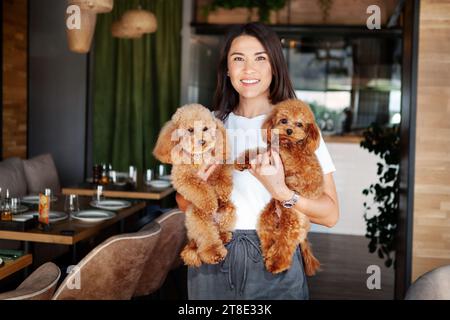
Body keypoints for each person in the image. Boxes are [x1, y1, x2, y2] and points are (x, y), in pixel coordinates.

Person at [176, 22, 339, 300]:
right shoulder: (207, 126)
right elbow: (182, 204)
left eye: (260, 58)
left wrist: (281, 192)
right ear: (227, 70)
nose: (248, 69)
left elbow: (330, 215)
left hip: (273, 253)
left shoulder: (295, 128)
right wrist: (199, 190)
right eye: (238, 59)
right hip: (213, 252)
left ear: (274, 67)